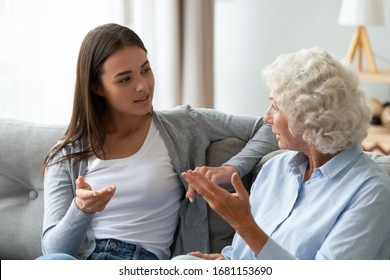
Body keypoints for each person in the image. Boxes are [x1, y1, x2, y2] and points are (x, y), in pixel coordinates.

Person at [38, 23, 278, 260]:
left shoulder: (183, 124)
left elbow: (269, 125)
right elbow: (53, 252)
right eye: (124, 79)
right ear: (97, 87)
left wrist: (233, 168)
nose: (142, 86)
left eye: (145, 70)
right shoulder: (66, 154)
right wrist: (81, 210)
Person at [180, 47, 390, 260]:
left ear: (310, 117)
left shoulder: (371, 191)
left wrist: (244, 224)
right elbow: (244, 253)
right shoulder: (275, 168)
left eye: (275, 107)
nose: (266, 117)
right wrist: (227, 261)